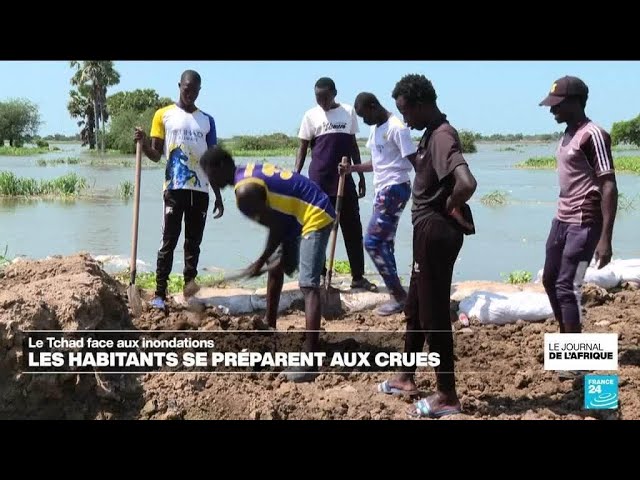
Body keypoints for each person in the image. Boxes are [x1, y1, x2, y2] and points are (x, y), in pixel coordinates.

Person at [377, 74, 477, 419]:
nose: (405, 120)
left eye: (406, 111)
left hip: (436, 231)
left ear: (421, 104)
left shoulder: (442, 136)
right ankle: (406, 376)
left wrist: (446, 205)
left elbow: (467, 183)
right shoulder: (432, 135)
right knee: (417, 306)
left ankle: (447, 394)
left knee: (434, 313)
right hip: (428, 230)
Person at [199, 146, 336, 383]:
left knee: (308, 286)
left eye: (209, 175)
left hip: (314, 213)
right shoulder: (246, 173)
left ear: (220, 167)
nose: (210, 181)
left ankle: (310, 360)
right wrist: (271, 259)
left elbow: (278, 228)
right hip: (296, 214)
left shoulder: (245, 192)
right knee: (276, 268)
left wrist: (259, 261)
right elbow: (280, 221)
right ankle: (270, 325)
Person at [133, 69, 224, 310]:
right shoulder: (163, 115)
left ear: (199, 91)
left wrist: (218, 195)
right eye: (186, 89)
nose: (190, 94)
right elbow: (155, 155)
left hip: (200, 191)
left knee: (193, 244)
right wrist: (142, 144)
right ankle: (160, 293)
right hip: (174, 188)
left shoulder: (207, 120)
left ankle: (189, 291)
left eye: (194, 90)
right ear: (179, 86)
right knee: (168, 242)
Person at [539, 76, 618, 344]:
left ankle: (572, 351)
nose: (552, 110)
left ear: (575, 102)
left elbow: (608, 185)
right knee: (550, 280)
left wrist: (605, 238)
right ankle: (567, 336)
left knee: (567, 286)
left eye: (557, 105)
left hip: (584, 222)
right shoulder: (568, 133)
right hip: (561, 219)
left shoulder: (593, 135)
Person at [295, 77, 377, 291]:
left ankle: (358, 276)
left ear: (334, 94)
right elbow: (302, 148)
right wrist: (296, 176)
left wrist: (360, 176)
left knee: (352, 230)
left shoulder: (348, 112)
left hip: (344, 180)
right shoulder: (310, 116)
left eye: (325, 97)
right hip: (319, 183)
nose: (321, 102)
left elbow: (352, 145)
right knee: (318, 230)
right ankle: (320, 279)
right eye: (317, 97)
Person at [339, 92, 416, 316]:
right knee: (385, 243)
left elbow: (414, 162)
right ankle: (397, 296)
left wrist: (424, 194)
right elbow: (377, 163)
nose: (363, 122)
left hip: (394, 189)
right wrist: (352, 169)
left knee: (372, 242)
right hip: (382, 190)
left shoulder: (397, 128)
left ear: (374, 106)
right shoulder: (376, 129)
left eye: (364, 116)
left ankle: (400, 296)